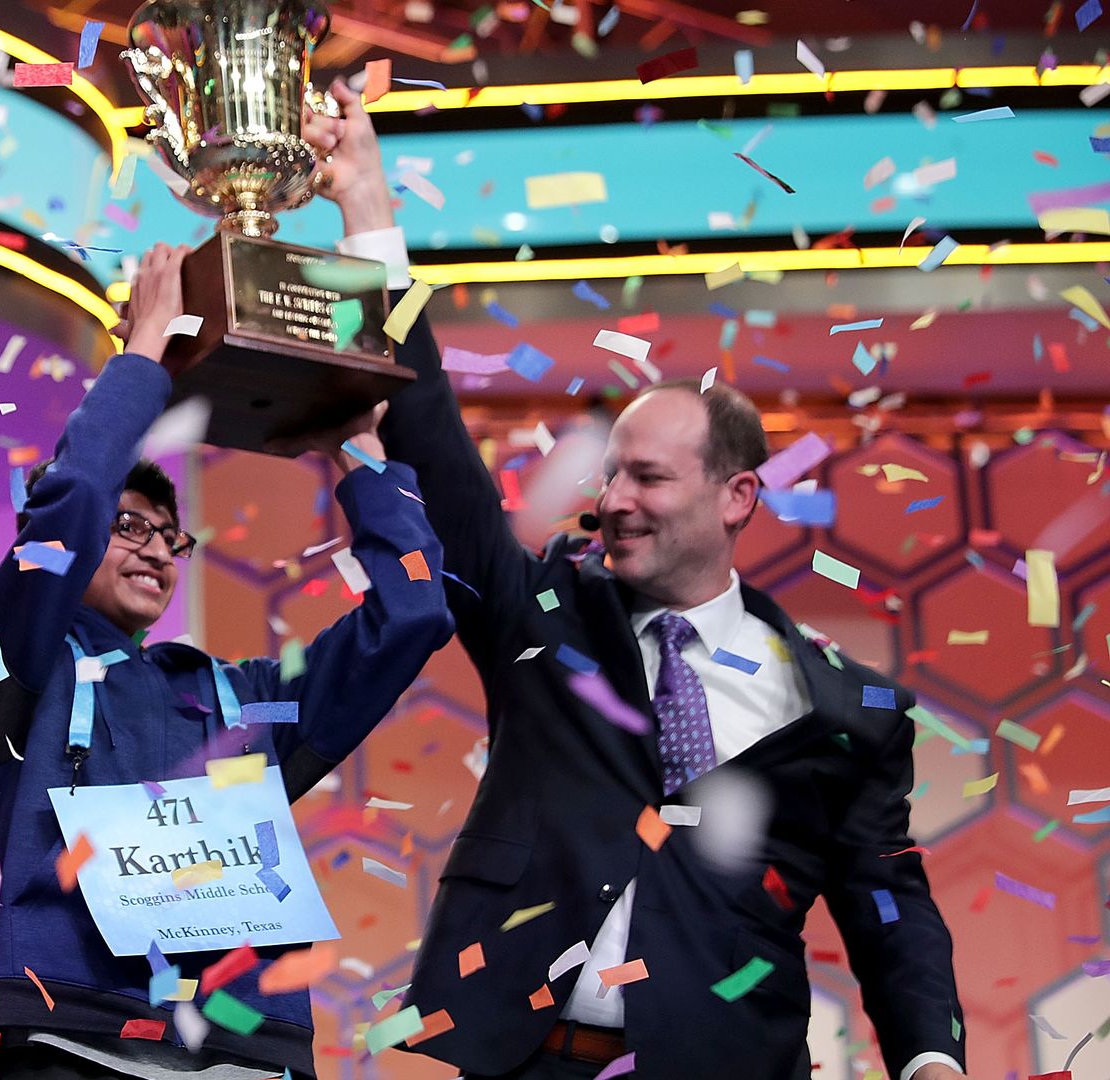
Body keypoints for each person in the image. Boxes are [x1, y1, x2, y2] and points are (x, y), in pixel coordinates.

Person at [302, 80, 965, 1080]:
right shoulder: (547, 615)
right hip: (510, 1059)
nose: (613, 499)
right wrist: (366, 208)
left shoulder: (851, 712)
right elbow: (433, 444)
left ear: (738, 497)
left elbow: (888, 901)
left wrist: (930, 1060)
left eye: (647, 476)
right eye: (610, 474)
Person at [0, 242, 455, 1078]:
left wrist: (355, 445)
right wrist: (142, 355)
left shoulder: (239, 700)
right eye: (128, 526)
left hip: (247, 1049)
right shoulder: (11, 656)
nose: (154, 551)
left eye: (169, 536)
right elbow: (71, 503)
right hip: (78, 1034)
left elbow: (414, 612)